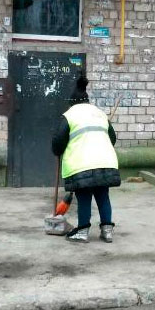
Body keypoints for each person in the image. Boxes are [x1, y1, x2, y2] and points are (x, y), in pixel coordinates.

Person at [51, 76, 121, 244]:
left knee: (84, 197)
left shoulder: (69, 115)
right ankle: (107, 231)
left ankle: (82, 231)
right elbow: (112, 138)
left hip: (82, 164)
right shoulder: (99, 113)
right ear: (88, 101)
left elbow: (58, 141)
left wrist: (57, 151)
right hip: (105, 162)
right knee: (103, 196)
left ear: (72, 102)